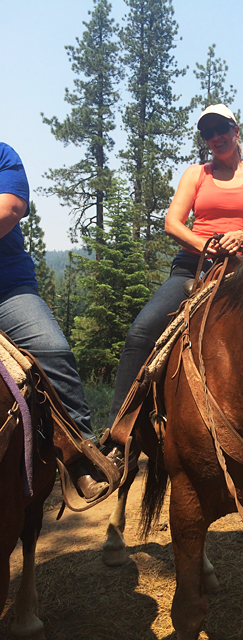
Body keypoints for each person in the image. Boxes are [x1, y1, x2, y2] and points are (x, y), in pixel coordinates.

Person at [105, 104, 243, 452]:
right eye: (207, 133)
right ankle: (117, 433)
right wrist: (206, 246)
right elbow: (173, 222)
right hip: (192, 267)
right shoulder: (196, 174)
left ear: (235, 130)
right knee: (141, 331)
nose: (215, 138)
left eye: (221, 130)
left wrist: (242, 236)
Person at [0, 141, 110, 502]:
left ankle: (81, 456)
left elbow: (11, 208)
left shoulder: (3, 154)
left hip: (8, 289)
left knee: (53, 349)